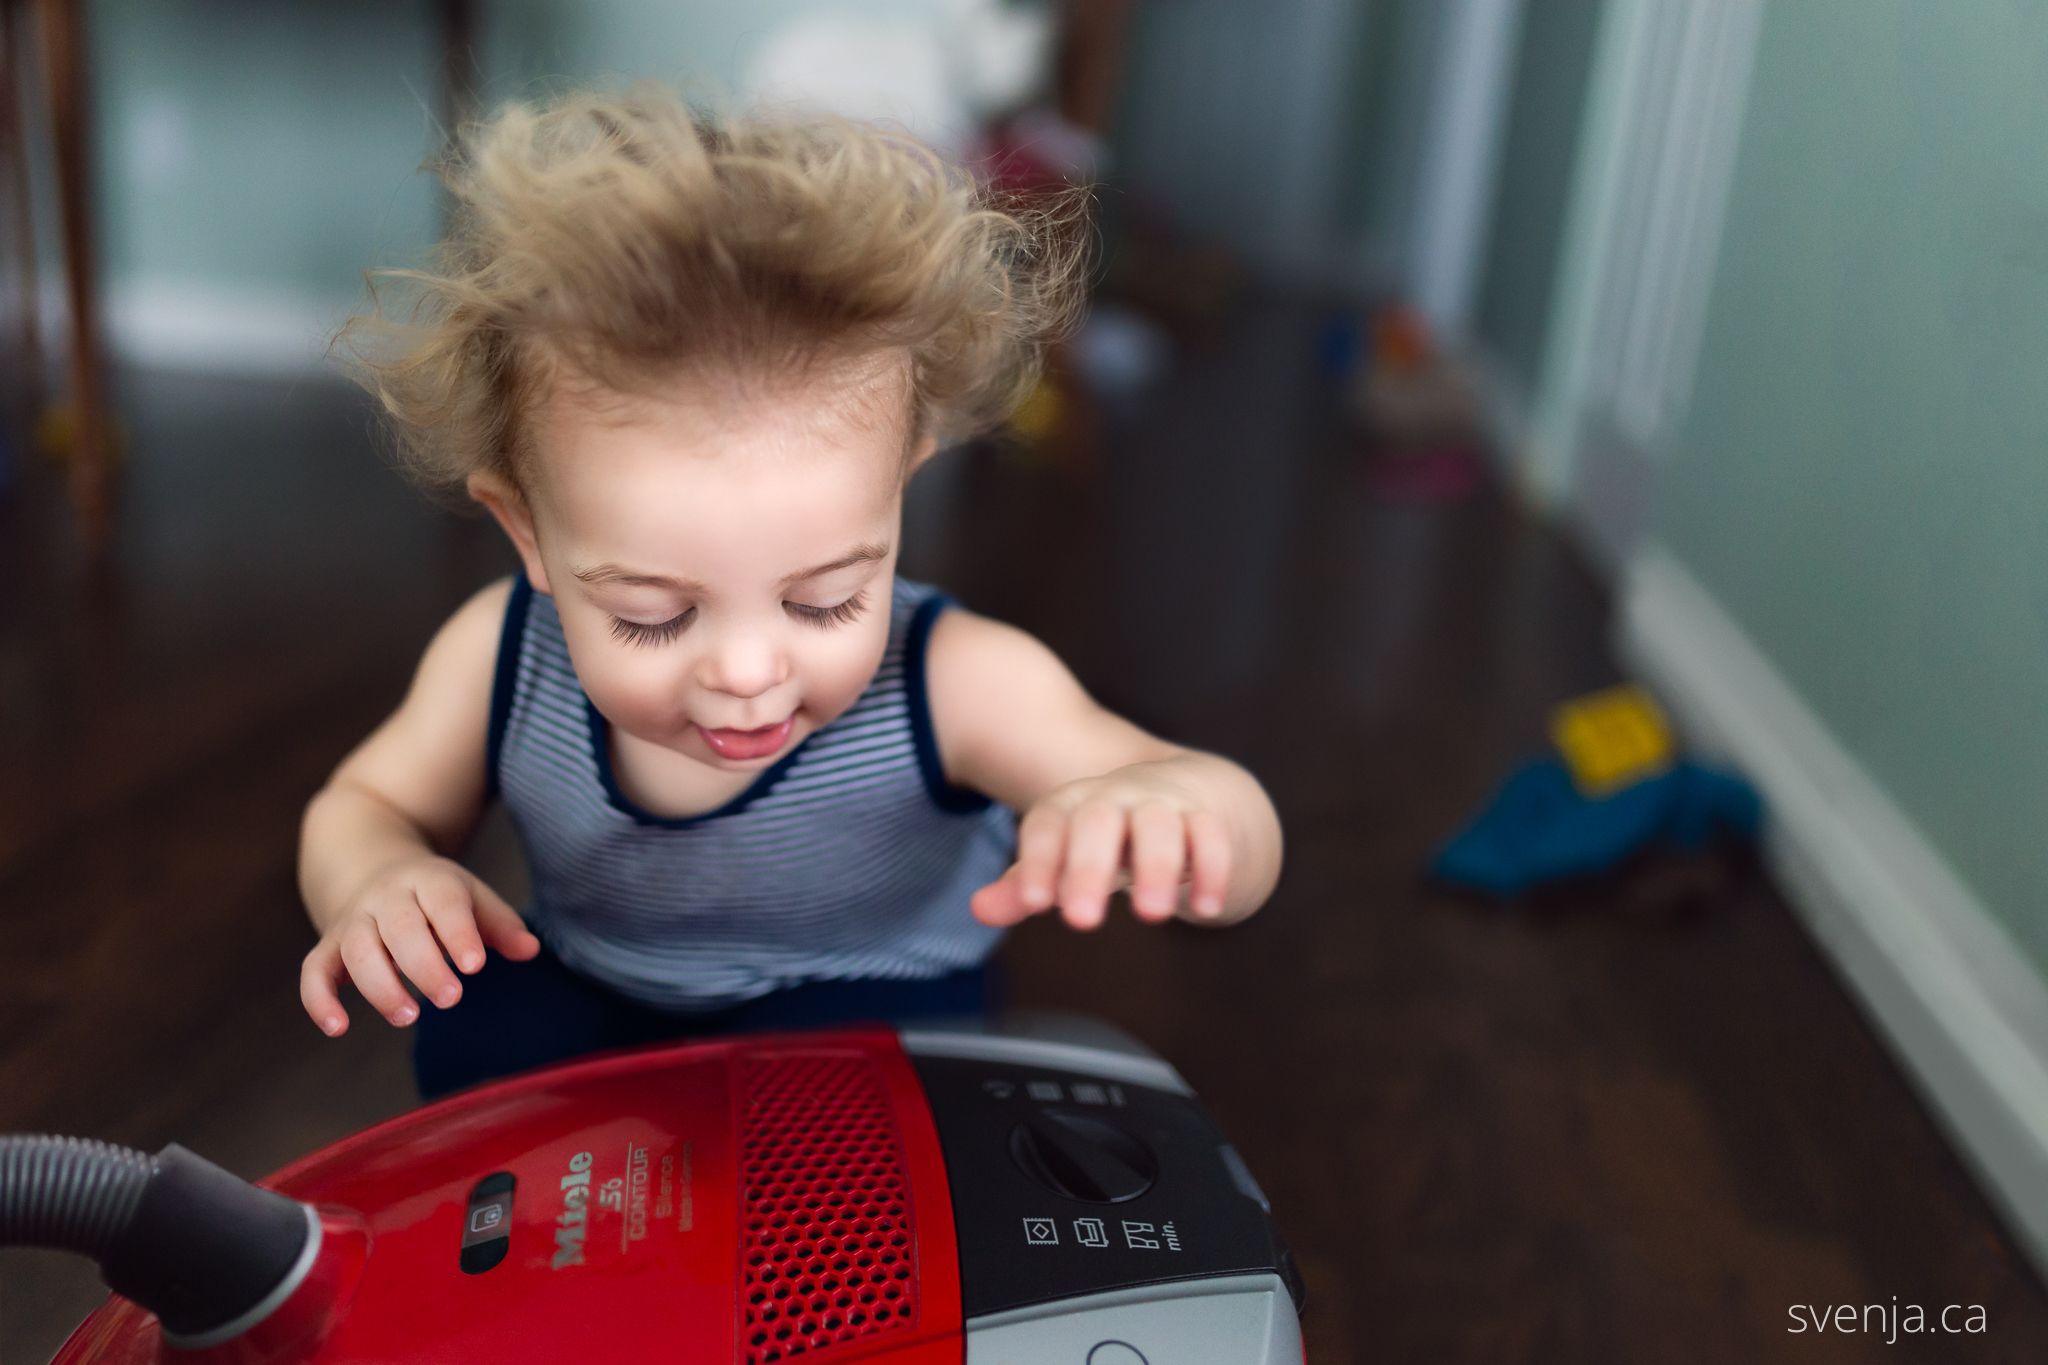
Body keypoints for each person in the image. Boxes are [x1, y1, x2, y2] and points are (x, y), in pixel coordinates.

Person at [297, 84, 1283, 1098]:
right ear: (527, 534)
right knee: (475, 1027)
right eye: (653, 615)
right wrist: (376, 877)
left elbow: (1225, 823)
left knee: (902, 1110)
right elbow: (366, 801)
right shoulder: (499, 652)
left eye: (822, 602)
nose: (747, 672)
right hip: (602, 989)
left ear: (898, 486)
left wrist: (1170, 811)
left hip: (863, 1008)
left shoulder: (957, 683)